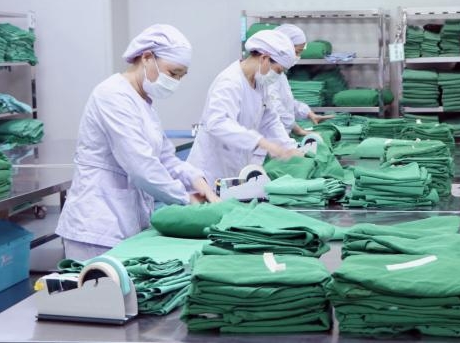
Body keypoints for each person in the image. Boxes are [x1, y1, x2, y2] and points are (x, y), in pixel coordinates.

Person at [56, 24, 219, 260]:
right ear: (147, 57)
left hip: (126, 221)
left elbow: (165, 158)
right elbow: (141, 166)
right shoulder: (112, 95)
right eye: (173, 73)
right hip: (97, 227)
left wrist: (196, 180)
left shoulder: (143, 102)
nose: (175, 82)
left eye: (181, 76)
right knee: (101, 284)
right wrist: (186, 198)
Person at [187, 29, 302, 186]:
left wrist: (288, 147)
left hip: (236, 165)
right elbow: (217, 123)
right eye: (278, 71)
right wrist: (260, 141)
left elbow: (270, 119)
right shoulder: (230, 82)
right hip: (210, 170)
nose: (278, 76)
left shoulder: (260, 83)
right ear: (264, 58)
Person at [269, 24, 334, 136]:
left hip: (280, 135)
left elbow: (287, 102)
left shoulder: (279, 74)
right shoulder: (267, 75)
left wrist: (308, 113)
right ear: (283, 48)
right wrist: (297, 129)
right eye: (297, 52)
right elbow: (275, 107)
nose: (297, 57)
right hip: (270, 137)